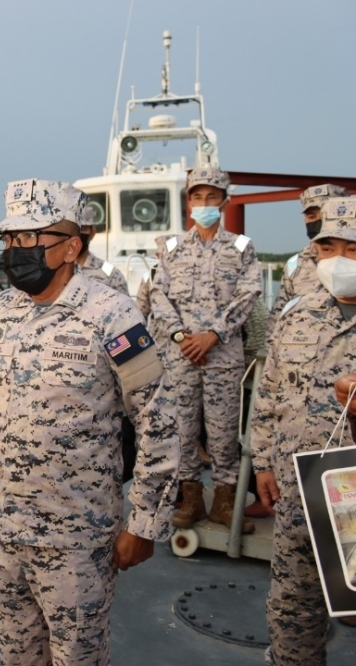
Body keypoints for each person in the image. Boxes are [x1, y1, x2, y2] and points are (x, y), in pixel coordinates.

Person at [0, 178, 179, 665]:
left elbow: (160, 420)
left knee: (77, 657)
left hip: (79, 535)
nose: (17, 250)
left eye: (31, 238)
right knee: (17, 656)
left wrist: (145, 524)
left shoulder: (111, 313)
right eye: (10, 240)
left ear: (71, 247)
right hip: (11, 528)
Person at [253, 196, 356, 663]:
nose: (338, 259)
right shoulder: (296, 313)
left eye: (352, 249)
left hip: (350, 495)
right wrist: (262, 463)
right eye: (328, 247)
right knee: (293, 610)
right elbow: (269, 393)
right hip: (299, 491)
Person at [150, 166, 262, 533]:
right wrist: (182, 337)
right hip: (180, 355)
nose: (204, 203)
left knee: (223, 431)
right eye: (197, 196)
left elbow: (249, 294)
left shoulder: (242, 248)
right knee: (182, 429)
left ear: (224, 201)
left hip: (221, 355)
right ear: (189, 202)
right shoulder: (170, 248)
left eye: (211, 196)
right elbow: (158, 295)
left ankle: (226, 503)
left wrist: (214, 333)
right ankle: (192, 499)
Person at [268, 184, 349, 325]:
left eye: (325, 213)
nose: (317, 220)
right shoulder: (295, 263)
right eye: (311, 216)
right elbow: (279, 315)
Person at [76, 207, 129, 293]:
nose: (77, 235)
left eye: (82, 229)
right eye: (73, 230)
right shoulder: (54, 271)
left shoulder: (111, 275)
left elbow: (124, 305)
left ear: (92, 233)